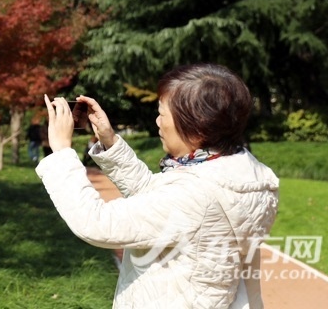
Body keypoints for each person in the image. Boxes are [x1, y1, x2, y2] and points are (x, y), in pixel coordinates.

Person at [37, 63, 279, 309]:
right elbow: (157, 199)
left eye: (163, 114)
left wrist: (62, 153)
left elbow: (96, 222)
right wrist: (109, 141)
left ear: (196, 129)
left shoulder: (196, 193)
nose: (157, 122)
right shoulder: (235, 174)